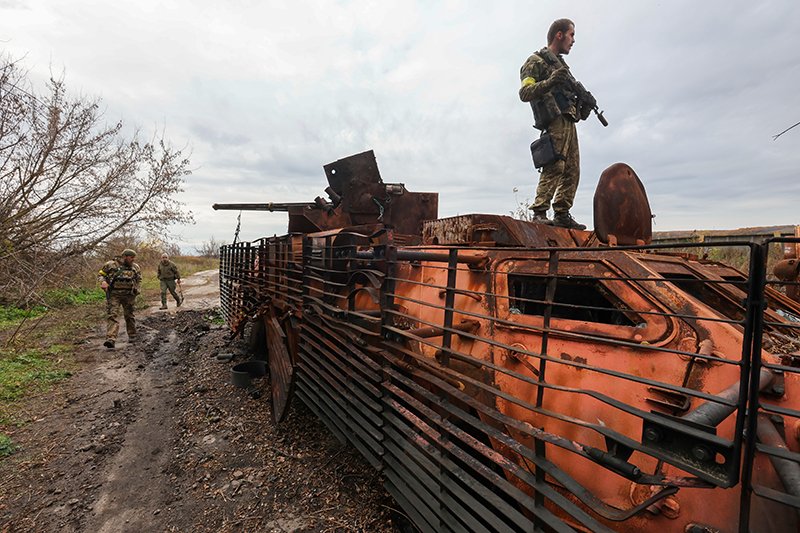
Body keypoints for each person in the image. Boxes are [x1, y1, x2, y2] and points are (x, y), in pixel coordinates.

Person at [519, 18, 587, 230]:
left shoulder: (563, 66)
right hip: (553, 120)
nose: (573, 40)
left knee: (572, 169)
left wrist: (583, 105)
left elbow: (570, 100)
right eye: (571, 35)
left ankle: (562, 213)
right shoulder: (536, 61)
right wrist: (551, 81)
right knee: (555, 164)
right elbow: (525, 92)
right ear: (559, 34)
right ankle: (540, 212)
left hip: (567, 120)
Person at [98, 249, 142, 349]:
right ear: (125, 256)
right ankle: (111, 339)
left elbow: (139, 279)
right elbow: (101, 274)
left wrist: (137, 289)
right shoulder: (111, 265)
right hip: (114, 295)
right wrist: (103, 282)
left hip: (129, 295)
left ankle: (132, 335)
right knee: (112, 315)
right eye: (131, 257)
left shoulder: (135, 267)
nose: (133, 259)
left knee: (129, 315)